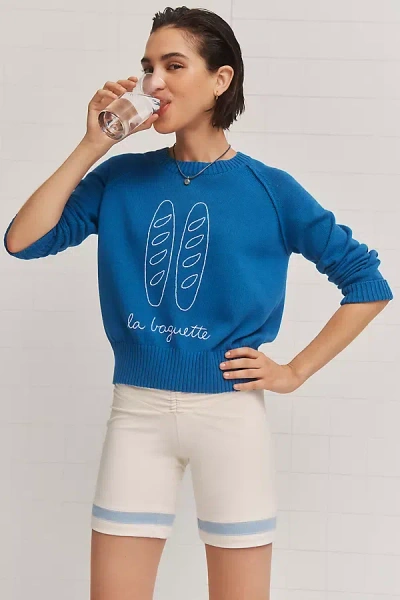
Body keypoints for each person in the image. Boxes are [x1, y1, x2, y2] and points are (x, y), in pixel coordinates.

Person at [3, 6, 393, 600]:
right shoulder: (119, 179)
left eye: (173, 65)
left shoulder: (270, 190)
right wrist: (93, 144)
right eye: (147, 67)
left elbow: (367, 282)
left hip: (230, 421)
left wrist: (293, 372)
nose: (153, 82)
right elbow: (23, 241)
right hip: (136, 416)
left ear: (220, 80)